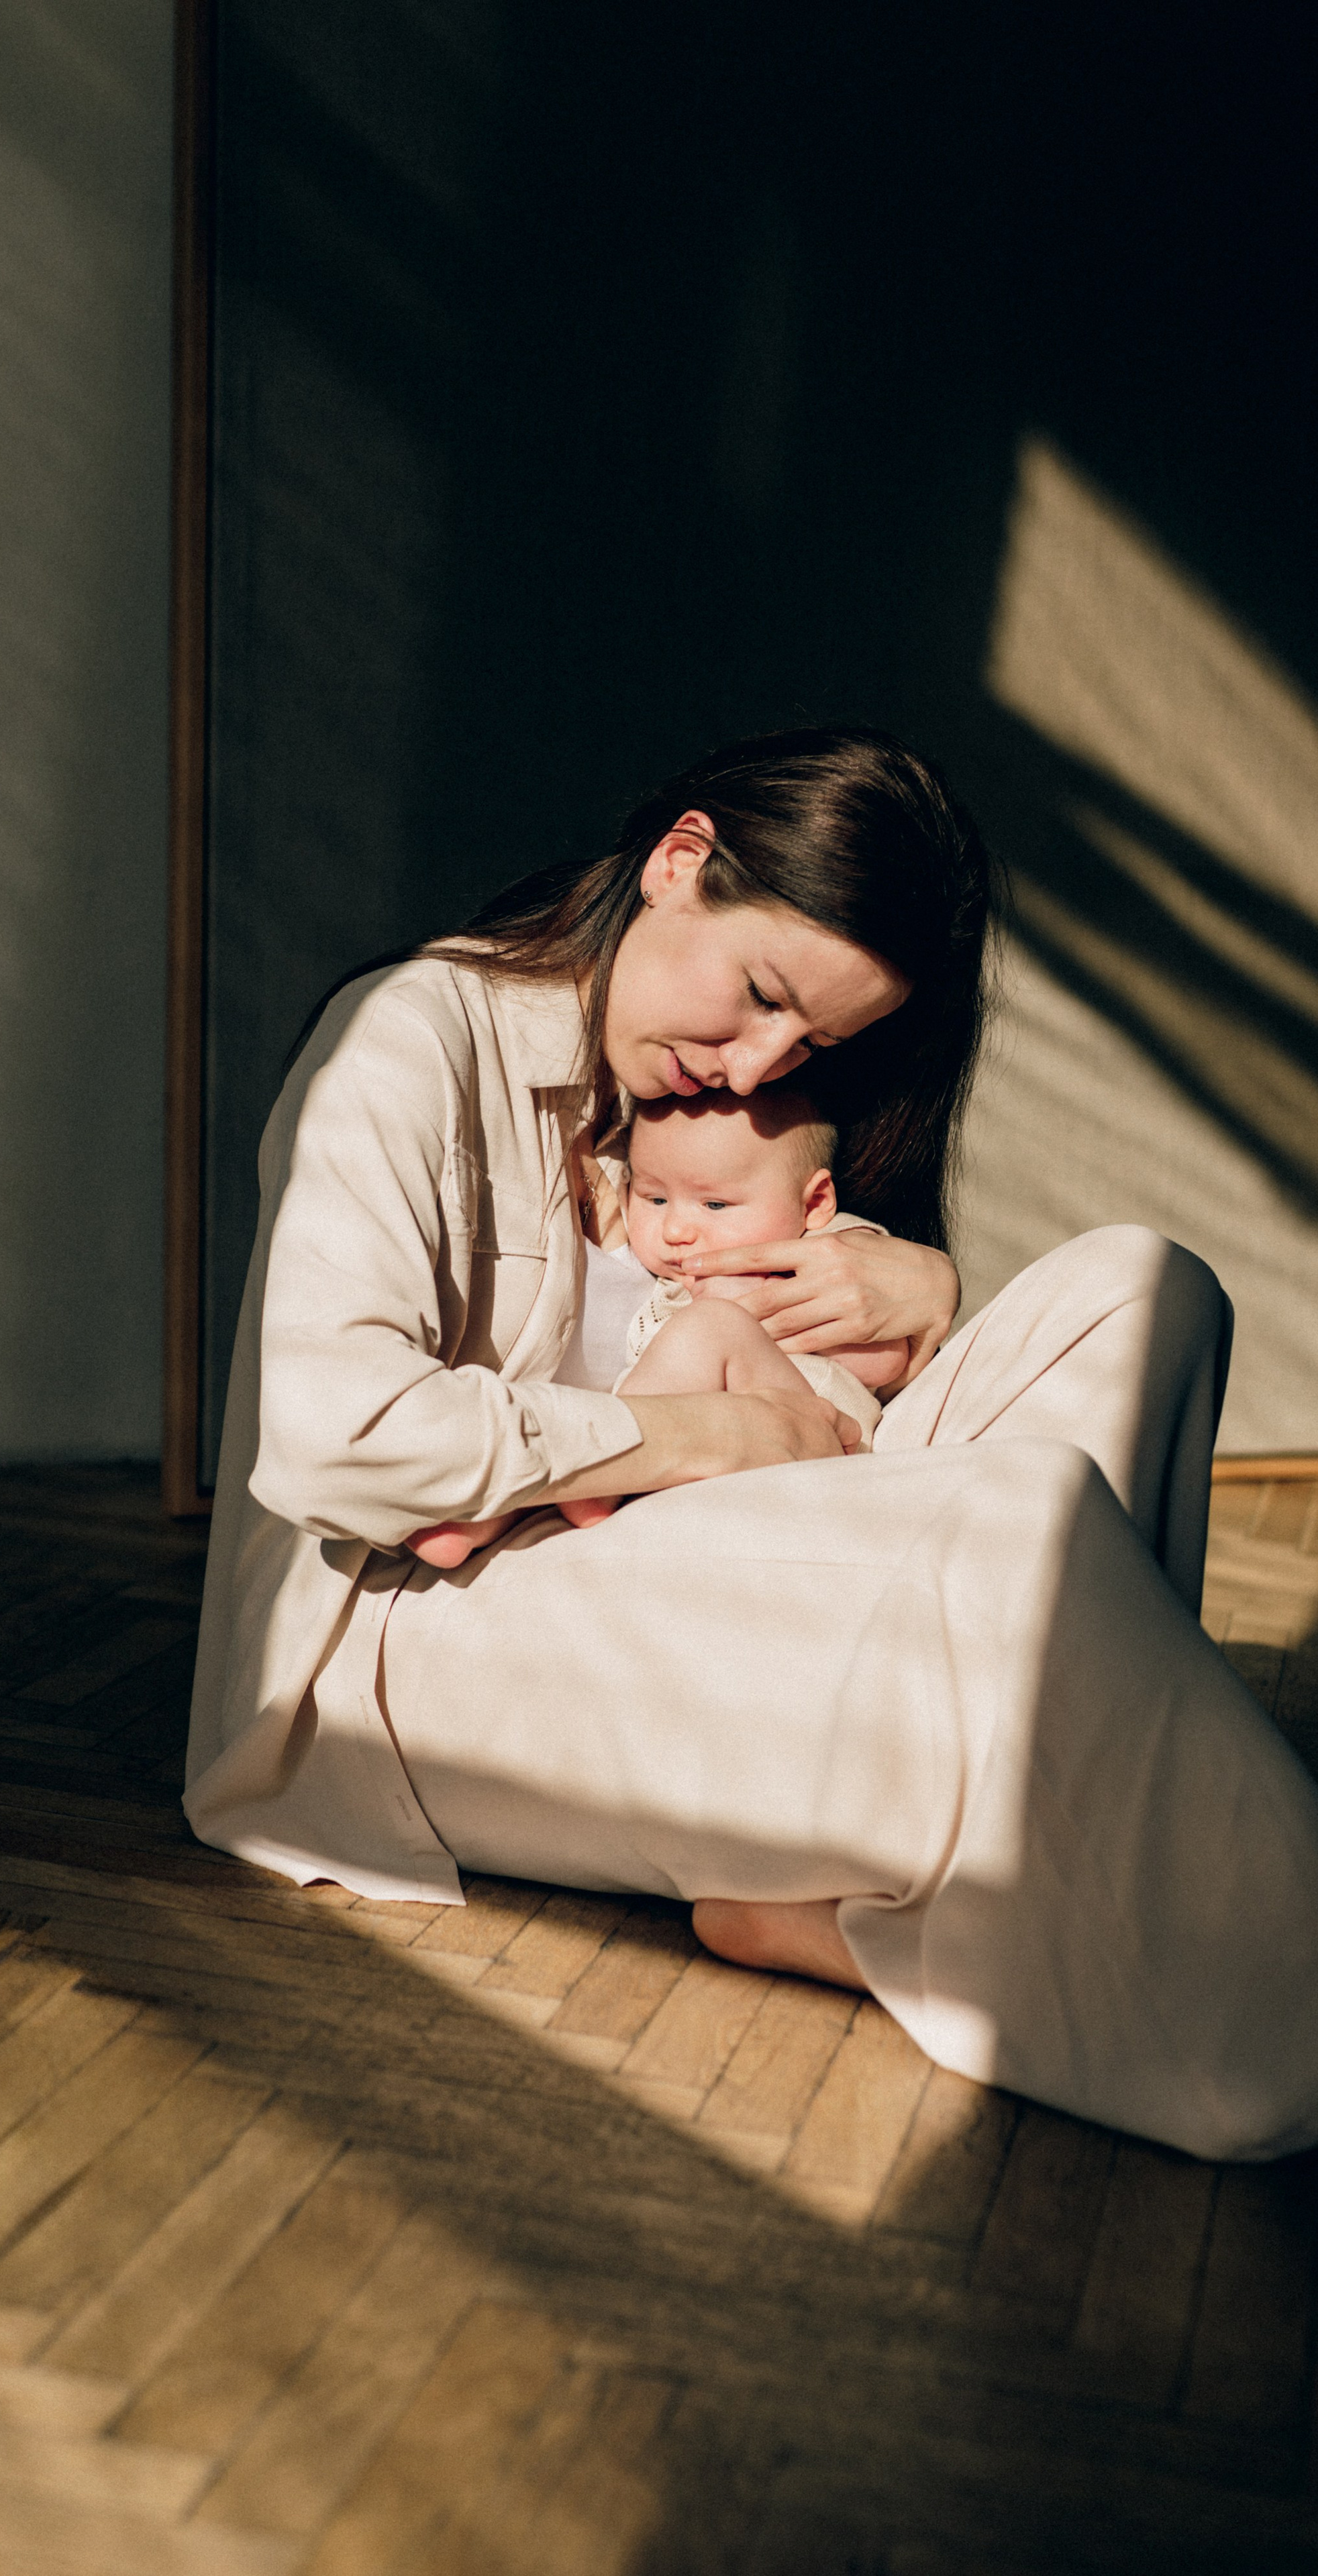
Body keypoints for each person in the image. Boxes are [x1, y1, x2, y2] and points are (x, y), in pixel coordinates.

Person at [185, 726, 1318, 2161]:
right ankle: (1237, 1985)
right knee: (1023, 1518)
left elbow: (822, 1410)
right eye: (765, 995)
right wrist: (696, 1435)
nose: (761, 1064)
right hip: (425, 1631)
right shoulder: (414, 1035)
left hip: (712, 1552)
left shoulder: (722, 1092)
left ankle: (894, 1888)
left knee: (1146, 1289)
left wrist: (924, 1300)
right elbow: (335, 1437)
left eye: (814, 1047)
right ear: (679, 861)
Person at [405, 1085, 907, 1564]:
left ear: (813, 1203)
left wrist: (759, 1306)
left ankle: (592, 1476)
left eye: (715, 1204)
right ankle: (492, 1511)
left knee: (713, 1328)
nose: (676, 1230)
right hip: (689, 1446)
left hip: (819, 1437)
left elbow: (886, 1357)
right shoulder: (657, 1284)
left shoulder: (823, 1252)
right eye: (654, 1199)